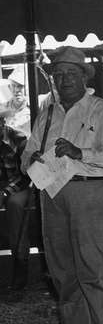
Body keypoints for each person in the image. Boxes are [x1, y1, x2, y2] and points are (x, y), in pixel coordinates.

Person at [22, 46, 103, 324]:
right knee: (64, 272)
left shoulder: (102, 110)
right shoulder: (48, 113)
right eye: (58, 75)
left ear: (84, 77)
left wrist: (80, 153)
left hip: (93, 195)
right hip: (52, 194)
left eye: (71, 73)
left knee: (97, 271)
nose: (64, 79)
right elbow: (26, 154)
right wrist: (33, 160)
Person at [1, 105, 32, 289]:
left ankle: (20, 263)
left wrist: (5, 192)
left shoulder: (19, 139)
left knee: (15, 206)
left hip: (18, 187)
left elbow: (28, 176)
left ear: (2, 122)